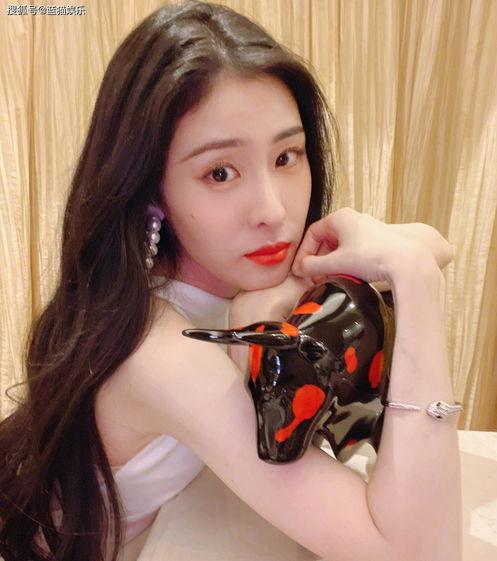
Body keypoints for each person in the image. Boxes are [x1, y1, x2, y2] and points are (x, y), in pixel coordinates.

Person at [0, 2, 462, 561]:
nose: (272, 211)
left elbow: (436, 242)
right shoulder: (159, 355)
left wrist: (281, 293)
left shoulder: (219, 283)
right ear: (150, 192)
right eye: (220, 173)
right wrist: (415, 281)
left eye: (287, 156)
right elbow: (420, 552)